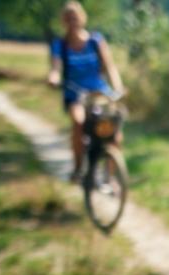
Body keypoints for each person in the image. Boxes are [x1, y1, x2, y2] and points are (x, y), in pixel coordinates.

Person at [47, 1, 124, 183]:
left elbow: (110, 67)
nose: (73, 21)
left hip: (99, 94)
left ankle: (110, 176)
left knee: (114, 131)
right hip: (75, 95)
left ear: (83, 18)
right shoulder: (60, 45)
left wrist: (117, 88)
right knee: (79, 122)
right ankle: (78, 168)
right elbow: (56, 67)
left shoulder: (95, 41)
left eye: (76, 17)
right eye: (69, 18)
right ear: (64, 21)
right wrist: (54, 77)